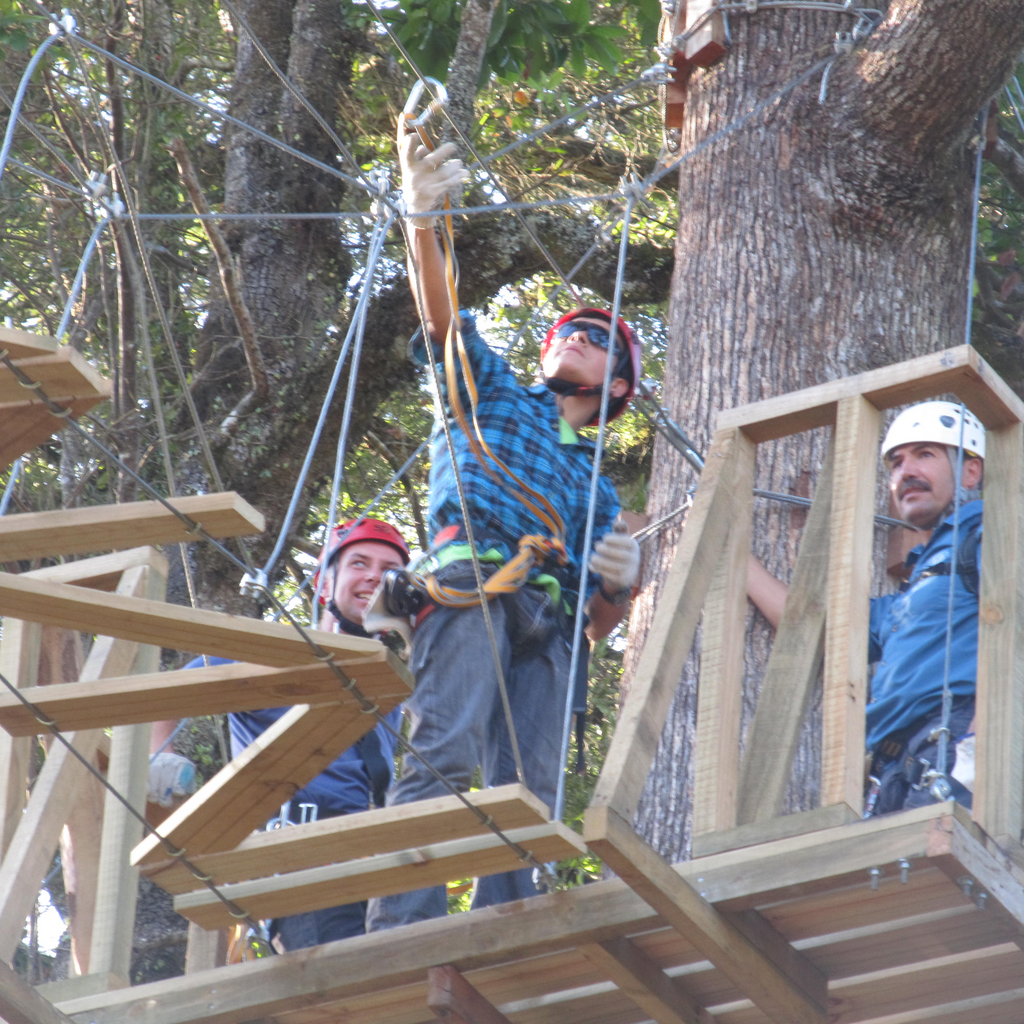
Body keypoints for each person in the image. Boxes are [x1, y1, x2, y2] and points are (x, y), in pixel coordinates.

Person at [365, 127, 643, 931]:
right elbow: (443, 318)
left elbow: (598, 620)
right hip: (471, 584)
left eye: (592, 339)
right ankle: (403, 930)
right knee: (446, 751)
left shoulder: (597, 484)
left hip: (550, 625)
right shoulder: (492, 395)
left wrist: (620, 581)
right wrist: (421, 220)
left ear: (615, 385)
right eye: (566, 330)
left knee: (530, 792)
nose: (568, 337)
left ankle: (507, 934)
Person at [747, 400, 984, 815]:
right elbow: (818, 630)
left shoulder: (992, 532)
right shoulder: (922, 584)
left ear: (970, 470)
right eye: (895, 463)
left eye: (925, 454)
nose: (904, 472)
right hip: (895, 767)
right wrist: (734, 559)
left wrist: (984, 741)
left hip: (955, 739)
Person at [185, 517, 409, 951]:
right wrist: (161, 762)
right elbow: (172, 697)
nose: (373, 578)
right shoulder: (277, 655)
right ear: (327, 582)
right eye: (359, 564)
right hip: (302, 861)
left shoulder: (390, 691)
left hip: (371, 866)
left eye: (388, 571)